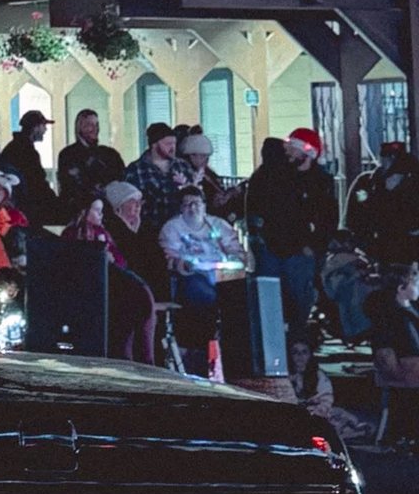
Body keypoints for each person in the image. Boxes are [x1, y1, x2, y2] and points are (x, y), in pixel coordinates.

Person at [245, 128, 338, 339]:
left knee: (299, 299)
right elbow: (257, 205)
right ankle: (272, 341)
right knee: (269, 299)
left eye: (293, 148)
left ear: (307, 152)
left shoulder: (320, 182)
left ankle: (297, 339)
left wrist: (314, 247)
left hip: (300, 253)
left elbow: (328, 218)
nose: (288, 152)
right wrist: (259, 239)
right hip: (271, 248)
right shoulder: (273, 174)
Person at [158, 185, 247, 376]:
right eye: (187, 204)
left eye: (196, 203)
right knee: (203, 296)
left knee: (244, 293)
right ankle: (203, 345)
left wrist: (234, 259)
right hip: (192, 275)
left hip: (223, 273)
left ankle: (237, 348)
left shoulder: (217, 225)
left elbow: (236, 249)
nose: (192, 208)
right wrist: (186, 264)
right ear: (181, 208)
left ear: (204, 205)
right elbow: (170, 258)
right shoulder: (172, 228)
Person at [66, 189, 157, 364]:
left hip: (114, 281)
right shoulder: (74, 234)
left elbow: (120, 259)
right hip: (96, 286)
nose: (100, 215)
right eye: (96, 211)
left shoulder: (104, 233)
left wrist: (112, 259)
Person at [367, 261, 419, 442]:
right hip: (406, 378)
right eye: (415, 282)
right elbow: (386, 357)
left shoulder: (413, 311)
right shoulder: (388, 317)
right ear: (401, 288)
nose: (418, 286)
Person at [350, 140, 419, 267]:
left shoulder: (413, 187)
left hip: (407, 252)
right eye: (387, 158)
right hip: (374, 251)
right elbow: (356, 215)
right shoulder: (366, 183)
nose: (389, 164)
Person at [124, 121, 194, 237]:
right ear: (154, 145)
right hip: (151, 232)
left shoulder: (183, 166)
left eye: (174, 143)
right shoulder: (136, 170)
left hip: (182, 231)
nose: (172, 148)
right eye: (167, 144)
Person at [57, 109, 124, 211]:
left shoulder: (110, 154)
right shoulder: (68, 155)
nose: (95, 129)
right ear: (79, 127)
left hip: (108, 211)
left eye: (96, 124)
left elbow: (121, 182)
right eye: (89, 124)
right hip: (79, 211)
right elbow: (69, 188)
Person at [0, 111, 57, 226]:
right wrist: (53, 203)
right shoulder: (26, 151)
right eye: (43, 126)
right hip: (27, 209)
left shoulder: (14, 147)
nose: (45, 130)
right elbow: (37, 184)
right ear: (35, 127)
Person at [178, 130, 239, 220]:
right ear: (192, 156)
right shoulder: (187, 175)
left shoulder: (209, 173)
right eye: (202, 156)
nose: (206, 160)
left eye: (207, 156)